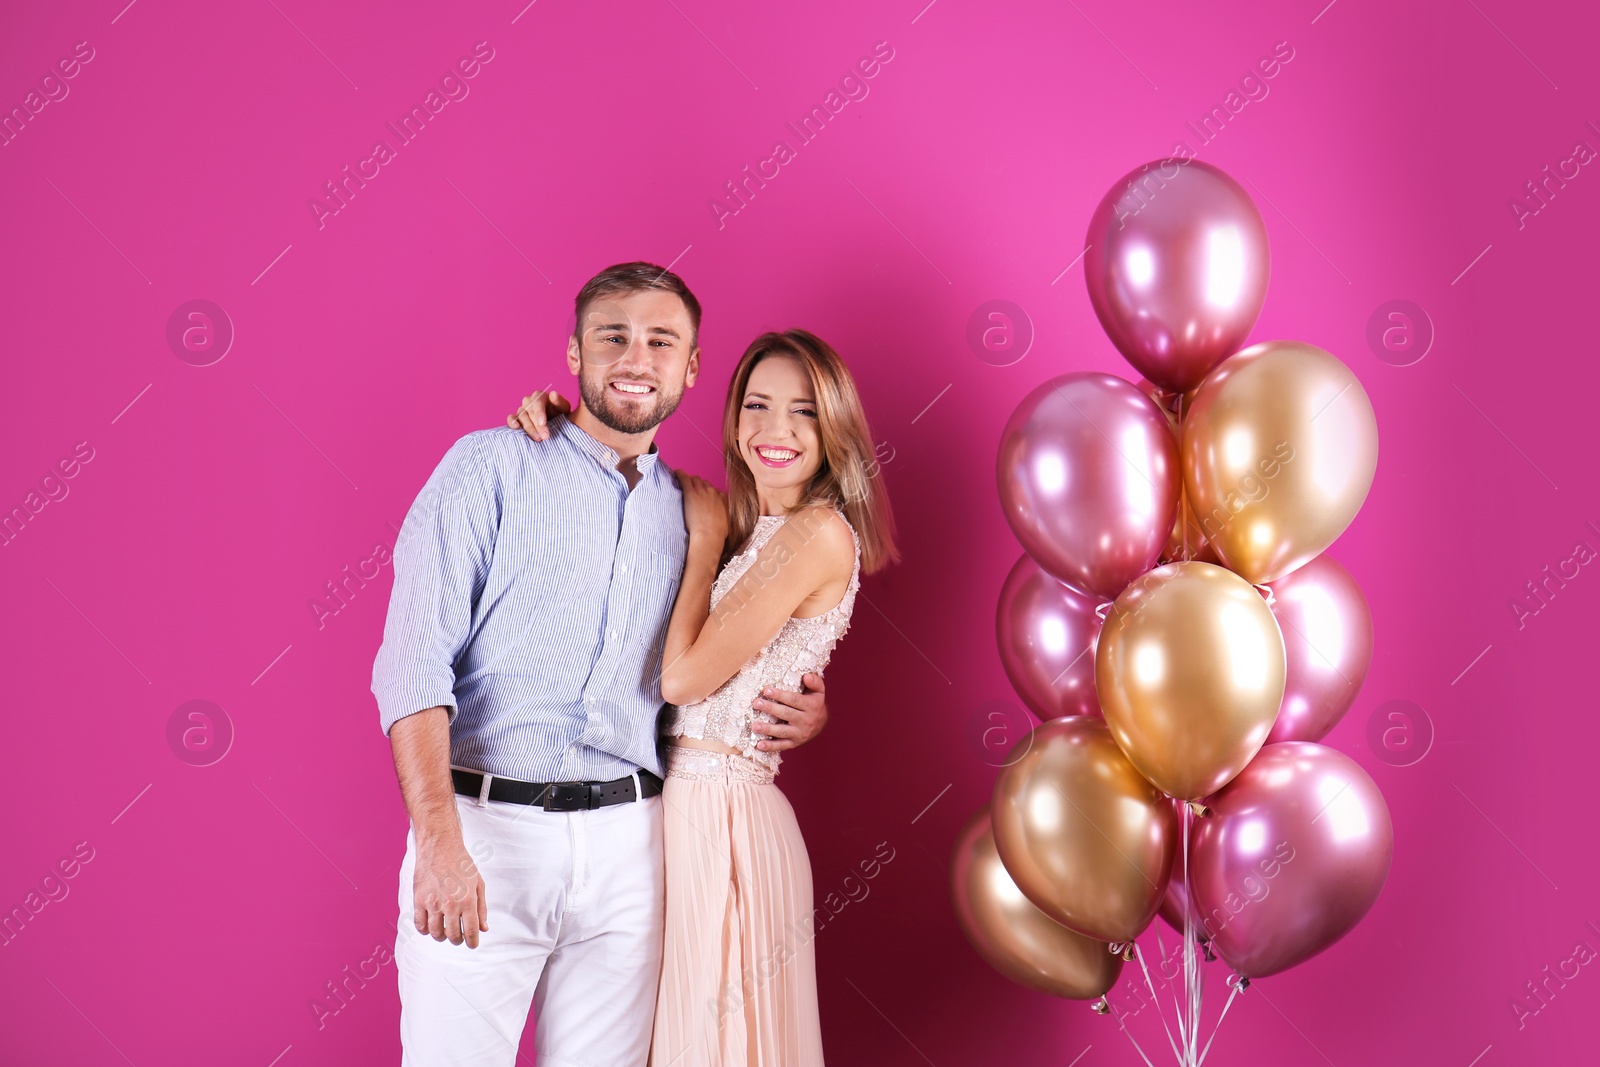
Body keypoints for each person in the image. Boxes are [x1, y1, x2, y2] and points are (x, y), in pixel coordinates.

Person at [371, 262, 832, 1067]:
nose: (636, 357)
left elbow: (761, 630)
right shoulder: (490, 468)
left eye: (662, 341)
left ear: (691, 367)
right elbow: (411, 668)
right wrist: (440, 843)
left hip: (634, 848)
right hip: (485, 835)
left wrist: (809, 703)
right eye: (613, 335)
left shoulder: (703, 512)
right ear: (574, 354)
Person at [508, 328, 897, 1065]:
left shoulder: (810, 532)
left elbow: (683, 679)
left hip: (723, 818)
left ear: (834, 426)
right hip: (677, 809)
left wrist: (706, 535)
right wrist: (554, 422)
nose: (774, 429)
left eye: (804, 411)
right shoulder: (759, 531)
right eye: (756, 404)